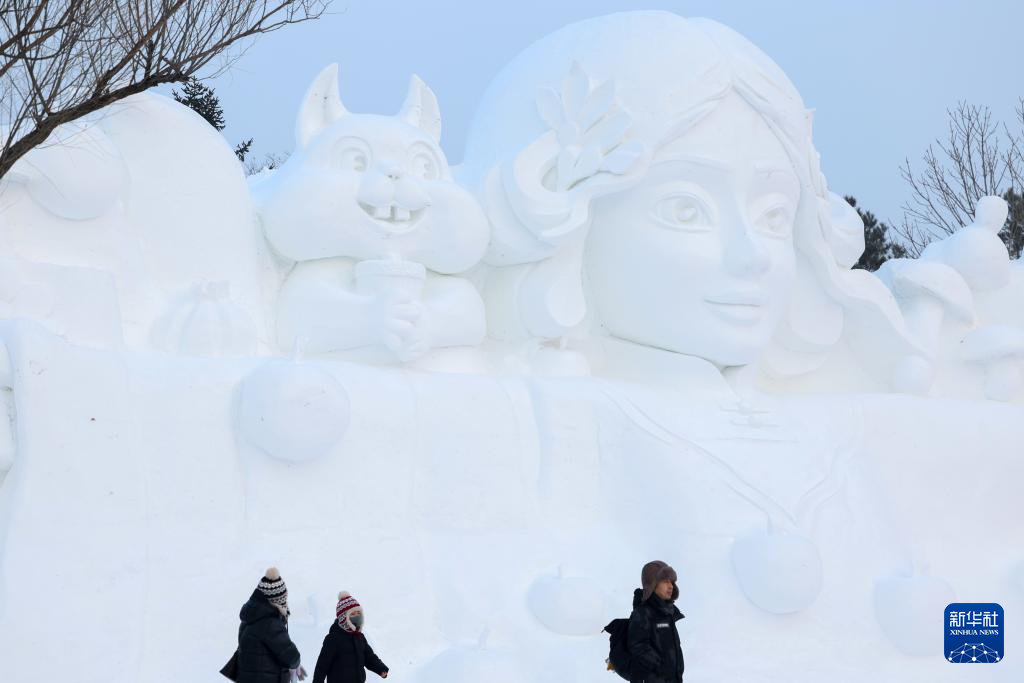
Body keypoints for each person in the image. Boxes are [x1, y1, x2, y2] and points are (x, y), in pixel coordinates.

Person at [238, 567, 308, 683]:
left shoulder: (250, 617)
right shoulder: (271, 623)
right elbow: (290, 655)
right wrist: (295, 664)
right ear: (278, 602)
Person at [312, 591, 390, 683]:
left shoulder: (360, 637)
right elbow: (322, 665)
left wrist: (380, 668)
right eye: (352, 614)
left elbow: (369, 657)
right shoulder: (333, 639)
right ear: (344, 618)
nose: (356, 616)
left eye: (358, 613)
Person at [628, 560, 684, 683]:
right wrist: (660, 665)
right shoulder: (642, 613)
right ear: (652, 585)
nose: (671, 586)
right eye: (665, 581)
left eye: (671, 582)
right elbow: (637, 645)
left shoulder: (668, 613)